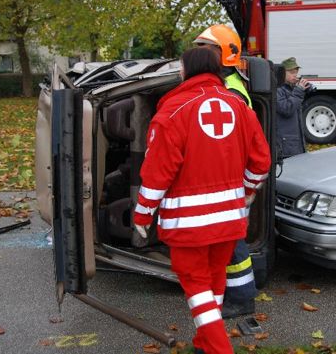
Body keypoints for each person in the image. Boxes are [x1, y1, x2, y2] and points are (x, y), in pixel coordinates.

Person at [133, 46, 271, 354]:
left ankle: (218, 349)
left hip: (189, 227)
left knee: (197, 287)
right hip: (229, 220)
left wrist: (143, 216)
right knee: (214, 280)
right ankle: (205, 345)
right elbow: (261, 162)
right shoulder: (239, 106)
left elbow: (157, 175)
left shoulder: (172, 112)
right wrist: (246, 195)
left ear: (186, 71)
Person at [193, 24, 260, 319]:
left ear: (223, 55)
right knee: (228, 241)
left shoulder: (230, 91)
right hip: (230, 179)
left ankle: (243, 299)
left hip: (232, 180)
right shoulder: (224, 84)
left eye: (205, 50)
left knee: (232, 244)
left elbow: (237, 143)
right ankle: (232, 294)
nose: (199, 56)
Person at [277, 57, 311, 158]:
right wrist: (299, 91)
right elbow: (286, 109)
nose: (295, 75)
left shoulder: (292, 89)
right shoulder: (278, 90)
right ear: (282, 73)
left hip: (295, 144)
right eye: (291, 72)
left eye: (296, 72)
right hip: (285, 146)